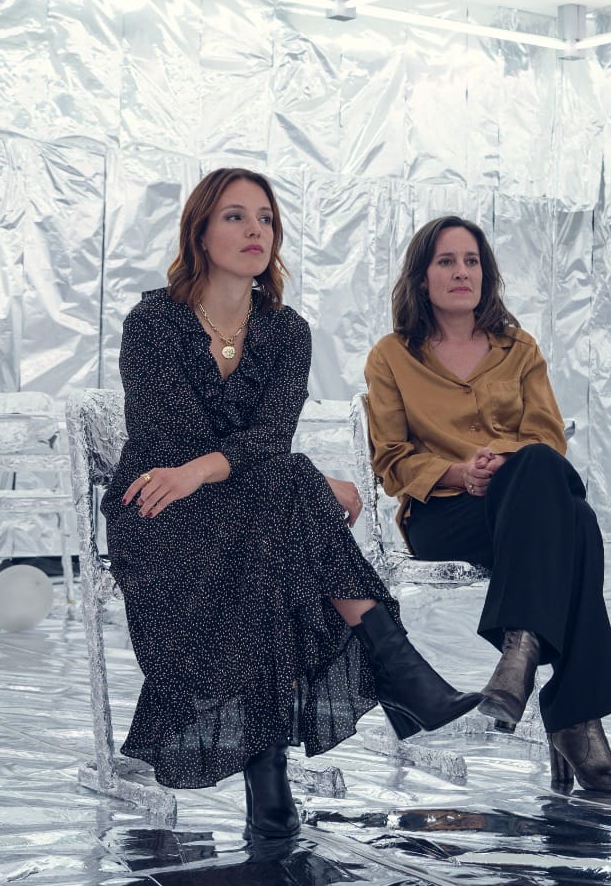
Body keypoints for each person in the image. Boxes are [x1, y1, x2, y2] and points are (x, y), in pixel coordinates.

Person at [102, 168, 480, 838]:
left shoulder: (286, 331)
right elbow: (172, 440)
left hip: (249, 514)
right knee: (288, 494)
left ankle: (272, 773)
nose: (256, 230)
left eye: (266, 219)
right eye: (235, 216)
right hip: (161, 513)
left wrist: (239, 472)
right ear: (200, 232)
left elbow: (271, 436)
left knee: (271, 532)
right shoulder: (153, 322)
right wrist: (312, 488)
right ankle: (393, 672)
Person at [363, 215, 611, 794]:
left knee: (541, 471)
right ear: (422, 277)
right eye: (446, 261)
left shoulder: (519, 348)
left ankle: (521, 653)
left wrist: (504, 464)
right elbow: (391, 460)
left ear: (485, 274)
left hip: (524, 503)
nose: (461, 272)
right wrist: (461, 473)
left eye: (472, 261)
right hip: (445, 514)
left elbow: (549, 438)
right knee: (578, 525)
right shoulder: (392, 356)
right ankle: (575, 720)